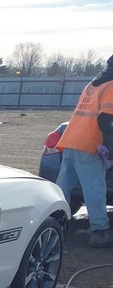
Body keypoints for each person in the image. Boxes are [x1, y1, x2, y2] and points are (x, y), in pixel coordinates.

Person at [56, 54, 113, 248]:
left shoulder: (94, 84)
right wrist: (109, 146)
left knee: (62, 187)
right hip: (90, 143)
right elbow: (107, 120)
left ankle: (55, 222)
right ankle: (100, 231)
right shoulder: (111, 86)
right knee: (94, 187)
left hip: (71, 140)